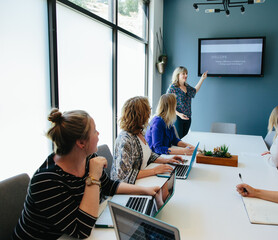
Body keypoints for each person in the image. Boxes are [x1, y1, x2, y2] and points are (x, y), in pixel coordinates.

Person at [13, 109, 159, 240]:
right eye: (95, 131)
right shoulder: (46, 180)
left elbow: (108, 186)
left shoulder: (88, 158)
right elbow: (81, 229)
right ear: (81, 143)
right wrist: (93, 175)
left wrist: (145, 191)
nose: (98, 134)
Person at [111, 96, 183, 184]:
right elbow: (124, 175)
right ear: (140, 115)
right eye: (148, 109)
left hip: (141, 180)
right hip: (126, 186)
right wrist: (154, 171)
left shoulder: (139, 132)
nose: (150, 113)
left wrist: (167, 160)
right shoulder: (125, 140)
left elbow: (148, 154)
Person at [167, 66, 207, 139]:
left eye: (186, 73)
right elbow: (167, 105)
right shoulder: (173, 88)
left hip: (188, 118)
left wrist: (202, 79)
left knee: (185, 140)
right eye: (183, 73)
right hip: (177, 118)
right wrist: (179, 114)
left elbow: (194, 91)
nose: (186, 75)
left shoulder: (187, 86)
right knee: (179, 140)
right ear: (178, 75)